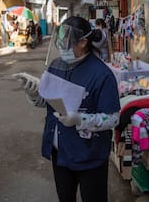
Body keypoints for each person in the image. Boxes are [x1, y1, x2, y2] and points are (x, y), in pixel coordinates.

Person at [15, 16, 120, 202]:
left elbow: (113, 118)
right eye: (61, 41)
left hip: (90, 155)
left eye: (67, 42)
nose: (62, 47)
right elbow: (47, 102)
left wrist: (80, 120)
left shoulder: (102, 75)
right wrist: (33, 94)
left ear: (83, 42)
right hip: (60, 152)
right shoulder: (56, 66)